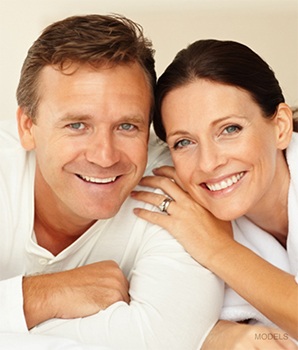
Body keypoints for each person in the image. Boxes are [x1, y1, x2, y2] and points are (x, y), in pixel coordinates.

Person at [0, 16, 224, 349]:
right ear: (27, 127)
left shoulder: (174, 183)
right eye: (77, 125)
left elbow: (160, 340)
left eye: (127, 127)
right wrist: (39, 296)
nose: (104, 157)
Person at [131, 39, 298, 349]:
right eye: (184, 142)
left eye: (230, 129)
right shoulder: (185, 212)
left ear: (281, 127)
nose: (209, 163)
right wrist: (217, 335)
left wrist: (218, 249)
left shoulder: (207, 236)